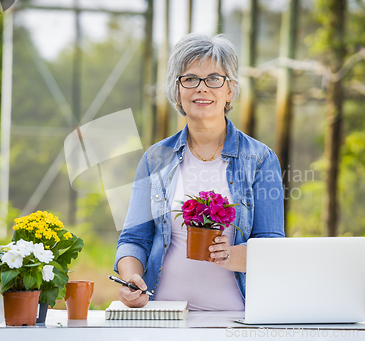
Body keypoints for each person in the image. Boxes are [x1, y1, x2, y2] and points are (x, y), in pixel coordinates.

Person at [114, 33, 284, 310]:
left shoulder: (260, 159)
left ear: (229, 90)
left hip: (234, 319)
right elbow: (134, 238)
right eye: (190, 79)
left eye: (214, 79)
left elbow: (272, 245)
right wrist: (130, 277)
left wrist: (229, 254)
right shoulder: (155, 159)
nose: (202, 88)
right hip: (163, 316)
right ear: (177, 90)